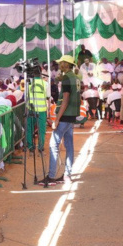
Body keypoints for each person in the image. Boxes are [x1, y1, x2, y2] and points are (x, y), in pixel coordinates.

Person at [39, 55, 80, 188]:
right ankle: (67, 175)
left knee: (53, 145)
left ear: (66, 64)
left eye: (61, 63)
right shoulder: (75, 77)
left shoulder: (67, 78)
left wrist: (57, 119)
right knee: (69, 146)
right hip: (71, 116)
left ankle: (51, 176)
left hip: (65, 116)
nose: (59, 65)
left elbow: (66, 99)